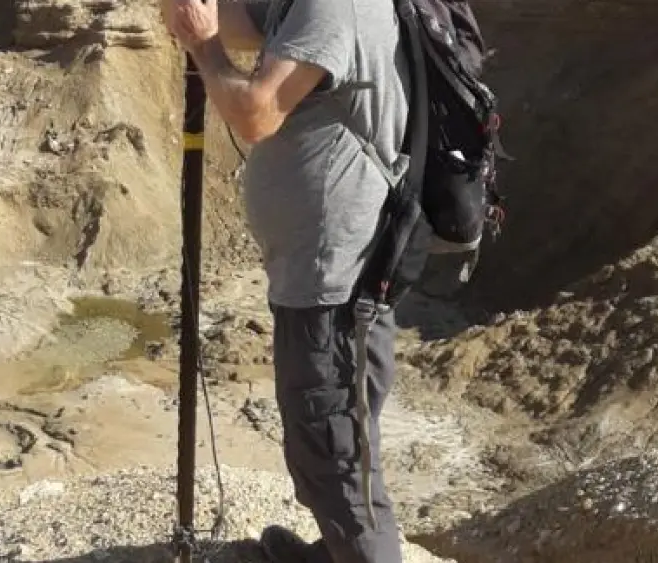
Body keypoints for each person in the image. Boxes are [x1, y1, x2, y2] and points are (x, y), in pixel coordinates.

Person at [161, 0, 411, 561]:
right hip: (321, 276)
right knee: (333, 442)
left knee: (337, 456)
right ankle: (339, 550)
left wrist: (203, 46)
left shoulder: (333, 5)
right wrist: (191, 13)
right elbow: (247, 21)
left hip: (334, 285)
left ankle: (362, 549)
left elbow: (256, 112)